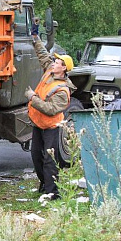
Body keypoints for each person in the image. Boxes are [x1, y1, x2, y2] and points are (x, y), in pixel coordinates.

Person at [25, 34, 76, 199]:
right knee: (36, 155)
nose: (54, 63)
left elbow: (50, 109)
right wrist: (36, 39)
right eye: (55, 62)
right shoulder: (50, 71)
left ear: (64, 69)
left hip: (52, 127)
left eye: (58, 63)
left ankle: (53, 192)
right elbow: (43, 56)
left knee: (50, 160)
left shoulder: (63, 91)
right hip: (39, 124)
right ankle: (44, 185)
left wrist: (33, 98)